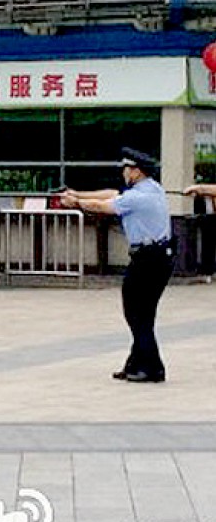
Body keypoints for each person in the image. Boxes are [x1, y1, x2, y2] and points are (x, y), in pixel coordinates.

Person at [60, 147, 172, 383]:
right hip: (157, 257)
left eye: (126, 169)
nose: (123, 173)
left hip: (148, 259)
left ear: (136, 172)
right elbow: (111, 194)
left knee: (136, 312)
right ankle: (136, 363)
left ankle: (153, 368)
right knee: (143, 314)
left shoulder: (137, 197)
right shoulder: (152, 189)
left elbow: (104, 206)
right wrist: (78, 193)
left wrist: (76, 202)